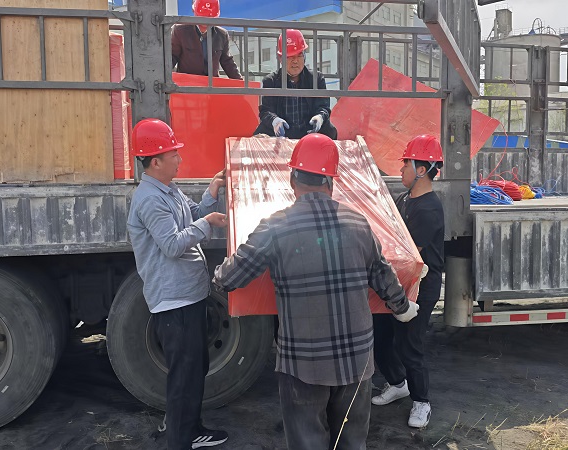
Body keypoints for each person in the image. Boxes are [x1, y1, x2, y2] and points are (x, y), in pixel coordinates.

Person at [213, 133, 418, 450]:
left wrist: (217, 273)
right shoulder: (359, 223)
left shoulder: (275, 227)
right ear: (331, 183)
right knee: (351, 444)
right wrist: (403, 308)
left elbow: (230, 278)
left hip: (303, 364)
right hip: (356, 362)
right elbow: (383, 275)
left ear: (292, 180)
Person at [127, 118, 229, 450]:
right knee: (184, 375)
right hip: (175, 303)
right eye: (173, 154)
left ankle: (190, 429)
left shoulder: (168, 189)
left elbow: (192, 215)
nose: (179, 159)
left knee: (194, 369)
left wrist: (211, 193)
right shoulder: (150, 199)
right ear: (155, 161)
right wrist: (207, 223)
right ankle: (180, 441)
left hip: (188, 297)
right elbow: (172, 244)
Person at [371, 134, 445, 429]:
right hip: (398, 282)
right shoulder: (404, 200)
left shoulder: (429, 209)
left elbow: (409, 256)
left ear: (422, 170)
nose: (401, 169)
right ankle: (397, 383)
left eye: (406, 165)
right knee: (380, 337)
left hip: (420, 285)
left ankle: (421, 401)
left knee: (408, 344)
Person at [253, 29, 338, 139]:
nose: (295, 61)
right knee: (259, 137)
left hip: (309, 132)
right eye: (290, 56)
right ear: (280, 58)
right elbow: (265, 111)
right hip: (282, 134)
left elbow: (324, 107)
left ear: (304, 56)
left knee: (329, 131)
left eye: (299, 55)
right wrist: (275, 121)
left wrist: (319, 117)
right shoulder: (270, 81)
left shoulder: (316, 79)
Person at [171, 0, 242, 79]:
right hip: (187, 83)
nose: (206, 21)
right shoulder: (180, 31)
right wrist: (163, 79)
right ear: (194, 11)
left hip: (211, 84)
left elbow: (227, 62)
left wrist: (241, 83)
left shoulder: (222, 34)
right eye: (203, 17)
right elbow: (172, 57)